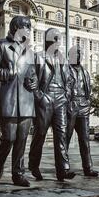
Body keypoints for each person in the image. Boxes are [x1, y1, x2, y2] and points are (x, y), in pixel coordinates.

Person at [0, 16, 37, 187]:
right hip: (10, 100)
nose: (28, 29)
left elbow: (33, 74)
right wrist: (7, 74)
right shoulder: (2, 45)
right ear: (16, 28)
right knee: (9, 139)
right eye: (25, 26)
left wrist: (34, 81)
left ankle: (18, 174)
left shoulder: (30, 52)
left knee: (21, 140)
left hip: (27, 101)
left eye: (30, 27)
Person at [28, 28, 76, 182]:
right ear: (48, 40)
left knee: (61, 134)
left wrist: (67, 93)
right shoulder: (38, 57)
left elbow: (69, 80)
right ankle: (33, 165)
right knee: (40, 134)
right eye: (55, 38)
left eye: (59, 39)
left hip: (61, 99)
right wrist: (40, 96)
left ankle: (63, 169)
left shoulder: (63, 59)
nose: (58, 42)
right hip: (45, 97)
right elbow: (30, 79)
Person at [67, 45, 99, 177]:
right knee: (65, 140)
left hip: (83, 107)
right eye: (76, 53)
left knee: (85, 140)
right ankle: (64, 168)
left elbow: (88, 89)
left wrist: (88, 102)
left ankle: (88, 168)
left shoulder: (85, 72)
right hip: (70, 105)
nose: (79, 56)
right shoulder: (65, 69)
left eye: (80, 54)